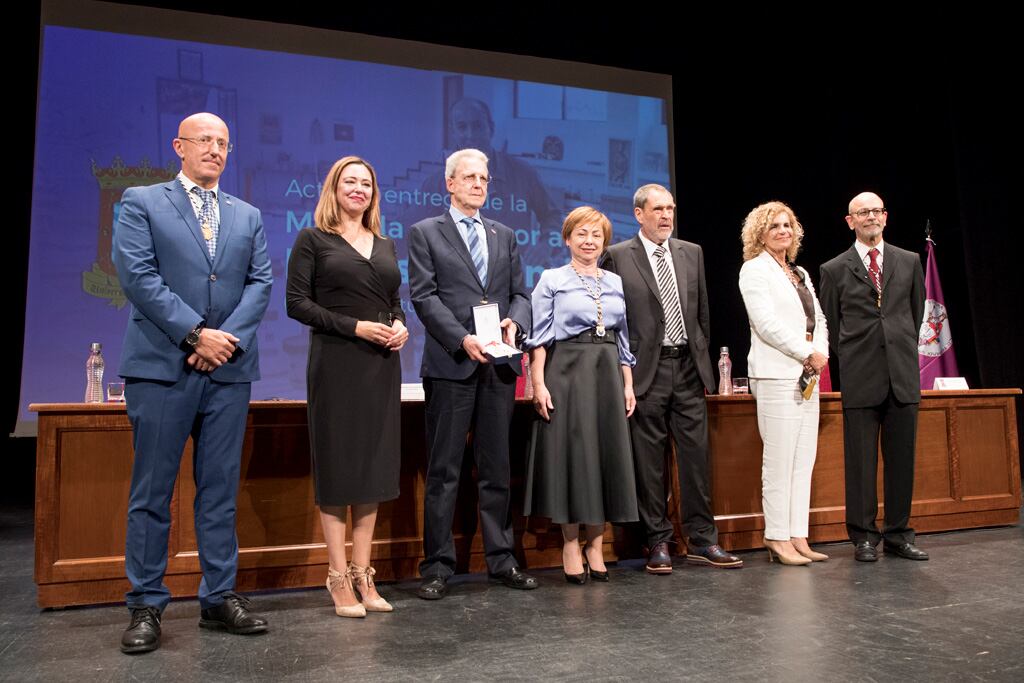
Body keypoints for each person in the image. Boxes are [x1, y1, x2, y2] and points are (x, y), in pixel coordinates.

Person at [113, 113, 273, 653]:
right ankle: (145, 604)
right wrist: (195, 334)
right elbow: (137, 275)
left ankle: (218, 597)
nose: (215, 149)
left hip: (228, 371)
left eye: (224, 143)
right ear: (179, 146)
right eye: (205, 140)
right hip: (162, 368)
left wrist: (222, 340)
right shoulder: (142, 201)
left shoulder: (246, 214)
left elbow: (260, 282)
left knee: (220, 493)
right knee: (153, 492)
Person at [409, 148, 538, 599]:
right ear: (450, 183)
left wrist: (515, 322)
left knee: (496, 468)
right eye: (469, 177)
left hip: (499, 366)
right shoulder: (426, 232)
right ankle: (438, 566)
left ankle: (501, 560)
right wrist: (462, 339)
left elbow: (521, 294)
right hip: (453, 365)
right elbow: (424, 298)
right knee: (444, 470)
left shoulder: (504, 234)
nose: (479, 184)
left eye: (484, 178)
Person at [286, 156, 408, 617]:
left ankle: (364, 574)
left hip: (380, 366)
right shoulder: (313, 240)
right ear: (333, 189)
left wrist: (400, 325)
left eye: (366, 183)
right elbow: (296, 303)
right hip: (336, 364)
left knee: (373, 469)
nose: (358, 189)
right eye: (349, 182)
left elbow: (394, 302)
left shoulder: (385, 242)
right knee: (339, 470)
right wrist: (354, 327)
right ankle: (338, 578)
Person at [602, 184, 742, 573]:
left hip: (687, 367)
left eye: (671, 208)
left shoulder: (690, 252)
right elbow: (615, 322)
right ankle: (658, 541)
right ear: (639, 214)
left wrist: (701, 360)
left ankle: (703, 540)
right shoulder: (617, 257)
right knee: (649, 462)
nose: (666, 216)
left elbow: (702, 315)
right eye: (658, 209)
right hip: (647, 371)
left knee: (697, 459)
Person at [524, 206, 639, 584]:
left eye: (596, 236)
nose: (589, 242)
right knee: (574, 456)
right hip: (568, 371)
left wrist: (627, 383)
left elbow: (622, 338)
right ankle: (571, 543)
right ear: (568, 238)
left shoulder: (615, 281)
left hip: (606, 372)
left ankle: (596, 544)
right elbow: (539, 338)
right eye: (582, 234)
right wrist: (538, 384)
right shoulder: (552, 279)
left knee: (604, 453)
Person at [819, 192, 928, 562]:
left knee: (902, 461)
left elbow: (914, 316)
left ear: (886, 216)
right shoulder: (834, 269)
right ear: (850, 221)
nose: (870, 217)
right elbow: (830, 325)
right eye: (862, 213)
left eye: (876, 211)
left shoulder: (910, 261)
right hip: (861, 376)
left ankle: (899, 533)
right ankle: (864, 537)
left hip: (901, 375)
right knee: (861, 464)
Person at [738, 201, 829, 566]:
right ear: (760, 233)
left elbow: (818, 317)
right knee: (778, 461)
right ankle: (776, 536)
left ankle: (797, 535)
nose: (782, 231)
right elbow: (765, 323)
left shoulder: (799, 272)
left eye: (787, 225)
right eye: (774, 226)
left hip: (808, 374)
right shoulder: (753, 270)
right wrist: (806, 351)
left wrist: (818, 351)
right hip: (777, 374)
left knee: (803, 460)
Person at [420, 98, 561, 231]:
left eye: (477, 126)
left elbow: (552, 217)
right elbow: (420, 232)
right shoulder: (435, 185)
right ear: (453, 133)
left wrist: (545, 245)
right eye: (462, 127)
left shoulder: (524, 174)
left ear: (491, 128)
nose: (470, 135)